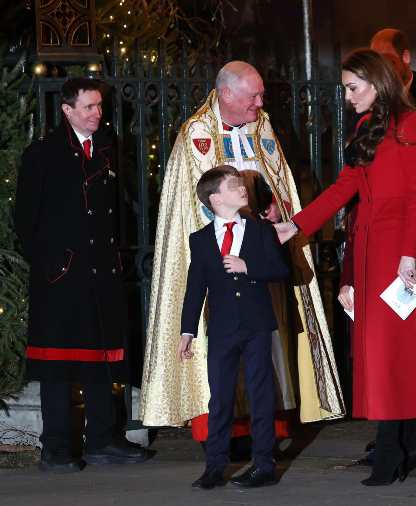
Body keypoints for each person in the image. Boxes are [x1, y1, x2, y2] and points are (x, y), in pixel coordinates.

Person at [140, 61, 344, 444]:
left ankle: (269, 429)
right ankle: (223, 433)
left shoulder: (262, 125)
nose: (259, 102)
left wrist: (276, 209)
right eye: (253, 95)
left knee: (266, 342)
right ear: (226, 93)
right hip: (222, 260)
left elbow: (282, 185)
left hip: (260, 257)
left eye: (261, 94)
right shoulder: (196, 134)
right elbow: (191, 204)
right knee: (223, 350)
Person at [276, 48, 416, 486]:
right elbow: (346, 186)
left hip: (397, 255)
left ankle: (393, 452)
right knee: (380, 355)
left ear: (377, 81)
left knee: (392, 356)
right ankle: (406, 445)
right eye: (346, 88)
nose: (347, 96)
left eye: (352, 87)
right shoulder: (369, 125)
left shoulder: (414, 123)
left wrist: (407, 253)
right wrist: (297, 225)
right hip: (369, 251)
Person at [14, 77, 151, 472]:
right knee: (56, 364)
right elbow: (25, 219)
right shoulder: (42, 153)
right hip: (61, 276)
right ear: (67, 110)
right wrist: (52, 265)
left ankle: (103, 440)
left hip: (101, 273)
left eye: (99, 107)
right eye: (89, 107)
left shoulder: (107, 149)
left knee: (101, 360)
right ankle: (55, 447)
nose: (97, 114)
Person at [180, 165, 289, 489]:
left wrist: (248, 267)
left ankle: (264, 464)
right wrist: (188, 331)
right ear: (215, 198)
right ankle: (215, 466)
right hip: (223, 328)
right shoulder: (200, 240)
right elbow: (194, 287)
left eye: (241, 184)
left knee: (260, 393)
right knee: (221, 397)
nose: (242, 187)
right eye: (233, 185)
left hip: (257, 324)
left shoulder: (260, 231)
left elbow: (280, 270)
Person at [370, 28, 416, 104]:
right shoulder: (365, 102)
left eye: (389, 62)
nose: (382, 71)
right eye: (376, 64)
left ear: (406, 57)